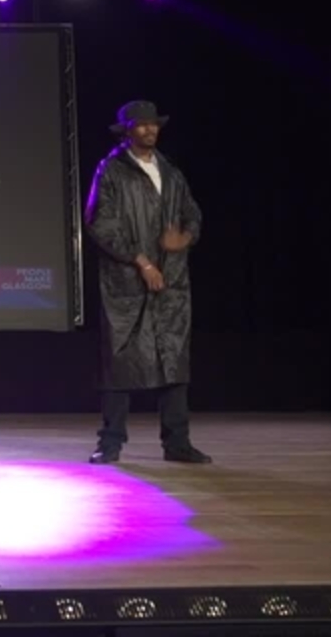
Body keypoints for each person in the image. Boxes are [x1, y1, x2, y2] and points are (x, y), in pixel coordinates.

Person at [84, 101, 211, 465]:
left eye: (153, 124)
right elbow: (101, 223)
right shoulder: (112, 171)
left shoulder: (170, 172)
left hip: (171, 282)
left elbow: (192, 214)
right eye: (141, 125)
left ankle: (177, 443)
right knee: (120, 364)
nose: (149, 130)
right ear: (126, 131)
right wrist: (141, 261)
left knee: (173, 362)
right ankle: (110, 442)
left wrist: (184, 238)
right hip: (127, 282)